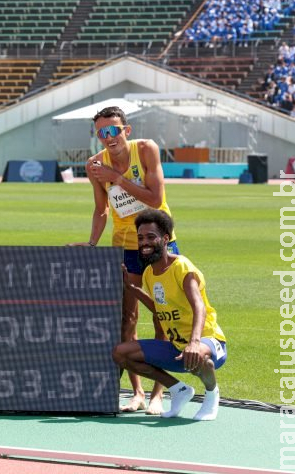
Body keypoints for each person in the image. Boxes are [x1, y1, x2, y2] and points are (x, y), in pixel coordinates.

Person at [69, 105, 179, 415]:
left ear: (125, 131)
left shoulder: (145, 150)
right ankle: (138, 393)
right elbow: (101, 209)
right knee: (126, 319)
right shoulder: (94, 165)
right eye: (102, 132)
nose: (108, 137)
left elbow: (156, 199)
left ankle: (160, 394)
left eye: (113, 130)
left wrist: (116, 177)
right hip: (124, 247)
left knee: (163, 315)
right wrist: (91, 242)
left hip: (158, 244)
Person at [113, 210, 227, 421]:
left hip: (209, 342)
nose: (144, 242)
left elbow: (198, 307)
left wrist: (194, 342)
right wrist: (132, 289)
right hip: (177, 349)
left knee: (201, 358)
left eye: (150, 237)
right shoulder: (149, 273)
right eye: (140, 238)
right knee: (120, 353)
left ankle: (212, 394)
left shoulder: (182, 267)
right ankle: (178, 389)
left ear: (165, 239)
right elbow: (160, 309)